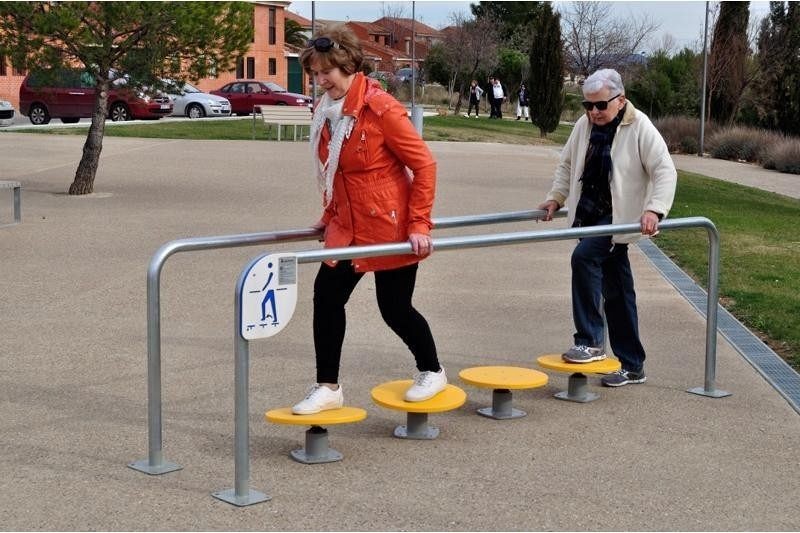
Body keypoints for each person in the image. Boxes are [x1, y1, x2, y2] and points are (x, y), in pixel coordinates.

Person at [292, 25, 446, 415]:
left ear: (348, 65)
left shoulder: (381, 108)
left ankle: (432, 370)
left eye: (327, 71)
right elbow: (336, 172)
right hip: (348, 226)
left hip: (388, 225)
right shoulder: (328, 112)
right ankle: (328, 386)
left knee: (394, 309)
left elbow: (423, 165)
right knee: (327, 297)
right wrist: (329, 216)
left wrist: (419, 224)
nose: (320, 80)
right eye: (315, 73)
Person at [537, 68, 677, 387]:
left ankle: (589, 341)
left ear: (620, 100)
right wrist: (555, 198)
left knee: (584, 258)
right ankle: (632, 365)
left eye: (601, 105)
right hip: (590, 213)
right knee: (618, 292)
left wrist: (655, 209)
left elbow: (664, 171)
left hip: (617, 217)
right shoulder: (583, 126)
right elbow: (568, 164)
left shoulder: (639, 126)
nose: (594, 112)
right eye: (588, 106)